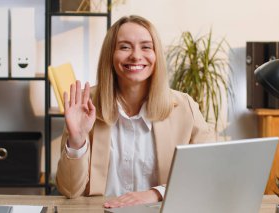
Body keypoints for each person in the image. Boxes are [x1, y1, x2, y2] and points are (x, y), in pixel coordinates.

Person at [56, 15, 213, 208]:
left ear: (156, 55)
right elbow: (70, 190)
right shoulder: (85, 105)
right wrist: (77, 140)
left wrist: (156, 193)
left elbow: (209, 172)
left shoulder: (184, 107)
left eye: (146, 47)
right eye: (124, 47)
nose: (136, 56)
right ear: (110, 55)